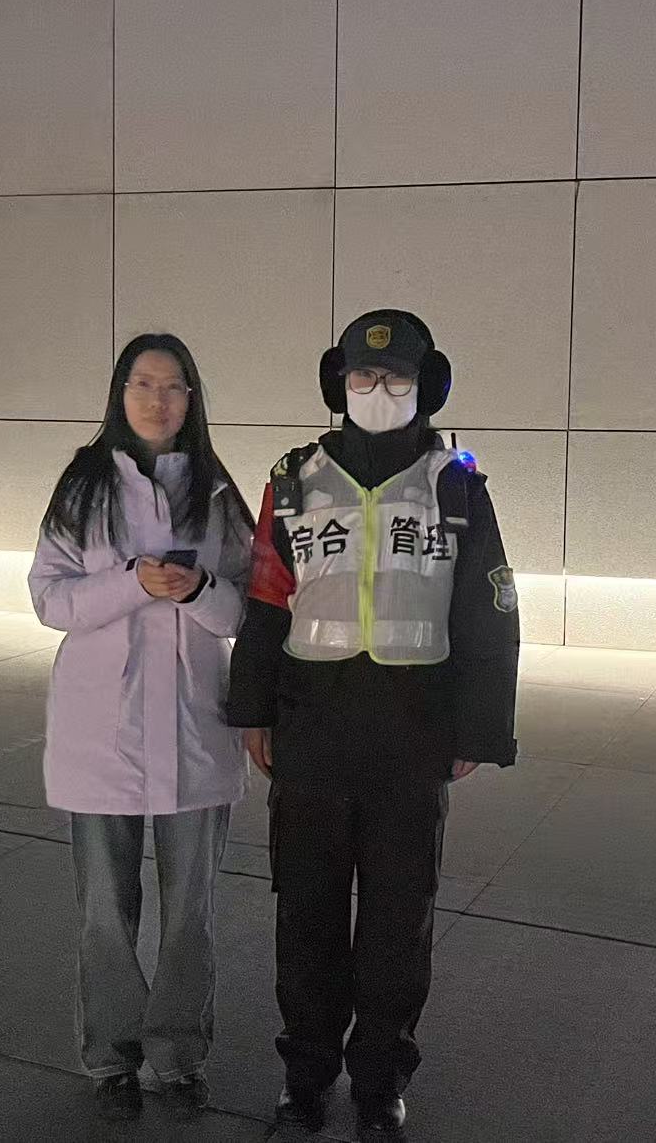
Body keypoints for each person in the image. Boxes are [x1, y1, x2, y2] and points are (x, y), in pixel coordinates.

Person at [226, 309, 520, 1142]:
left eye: (398, 377)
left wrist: (479, 728)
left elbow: (490, 607)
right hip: (312, 727)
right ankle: (306, 1076)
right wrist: (252, 708)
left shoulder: (456, 485)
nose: (378, 389)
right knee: (306, 915)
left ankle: (380, 1082)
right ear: (338, 381)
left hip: (413, 731)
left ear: (430, 386)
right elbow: (265, 598)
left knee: (399, 921)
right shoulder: (294, 481)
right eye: (363, 374)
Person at [27, 333, 256, 1124]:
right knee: (105, 908)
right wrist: (133, 584)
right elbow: (49, 598)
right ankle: (111, 1055)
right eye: (143, 383)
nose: (158, 400)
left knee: (191, 909)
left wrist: (196, 590)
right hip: (103, 730)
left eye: (174, 386)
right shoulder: (82, 487)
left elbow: (250, 608)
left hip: (195, 725)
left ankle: (180, 1053)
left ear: (193, 399)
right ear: (120, 393)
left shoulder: (218, 494)